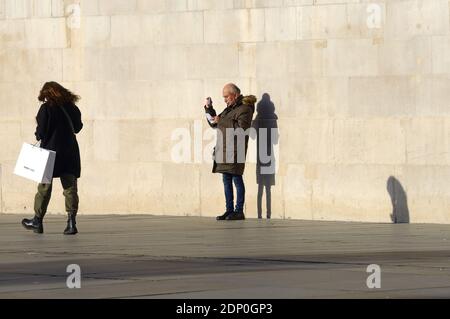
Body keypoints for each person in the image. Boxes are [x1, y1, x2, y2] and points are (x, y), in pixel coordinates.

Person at [21, 82, 83, 235]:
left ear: (47, 94)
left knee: (44, 188)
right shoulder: (71, 107)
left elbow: (41, 132)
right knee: (70, 188)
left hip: (50, 152)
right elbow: (78, 127)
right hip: (69, 152)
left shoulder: (46, 108)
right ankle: (71, 223)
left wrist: (38, 134)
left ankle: (37, 221)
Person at [204, 83, 256, 221]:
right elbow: (215, 123)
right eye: (224, 97)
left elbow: (241, 128)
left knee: (236, 179)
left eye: (226, 96)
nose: (225, 99)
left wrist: (222, 121)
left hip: (235, 150)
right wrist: (209, 110)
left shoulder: (245, 108)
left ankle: (239, 211)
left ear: (235, 95)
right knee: (226, 180)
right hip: (224, 149)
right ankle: (229, 210)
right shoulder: (229, 109)